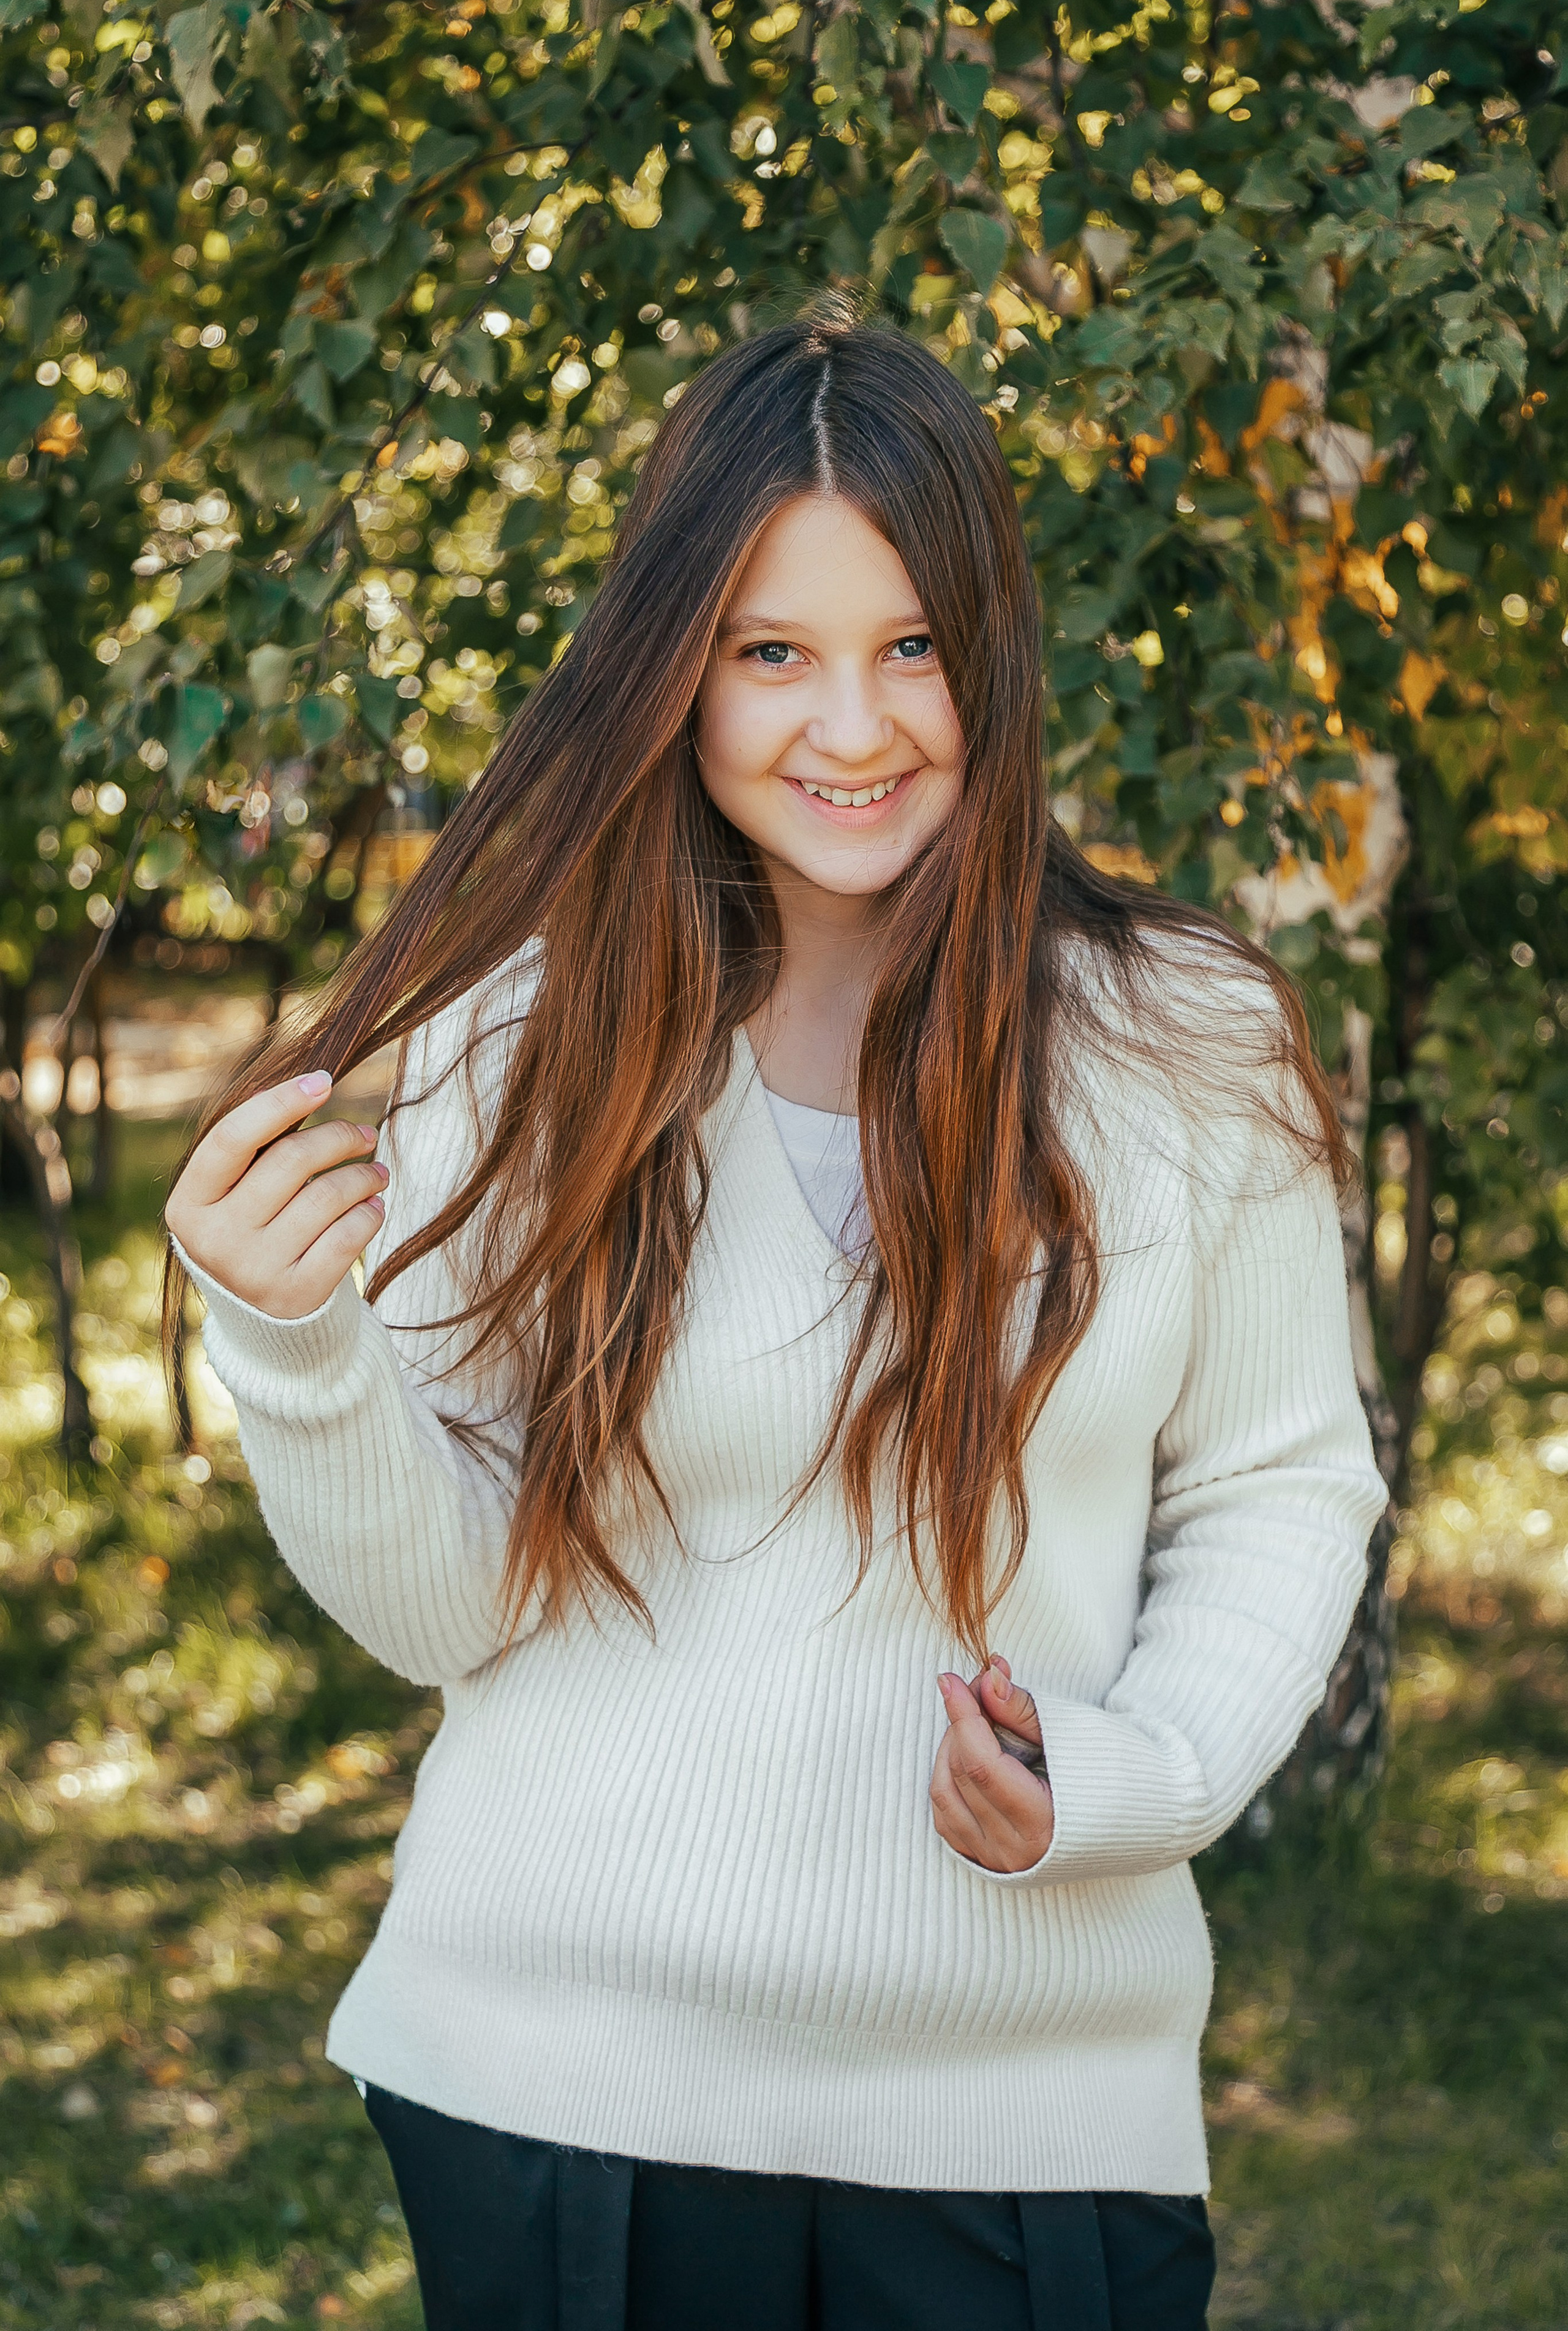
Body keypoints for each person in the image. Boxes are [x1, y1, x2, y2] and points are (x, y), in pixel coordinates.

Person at [164, 301, 1388, 2331]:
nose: (855, 725)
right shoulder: (520, 1041)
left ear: (990, 651)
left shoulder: (1190, 1040)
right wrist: (298, 1354)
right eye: (773, 654)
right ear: (675, 673)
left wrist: (1132, 1772)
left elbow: (1281, 1486)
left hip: (1030, 2111)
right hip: (558, 2087)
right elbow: (452, 1607)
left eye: (911, 646)